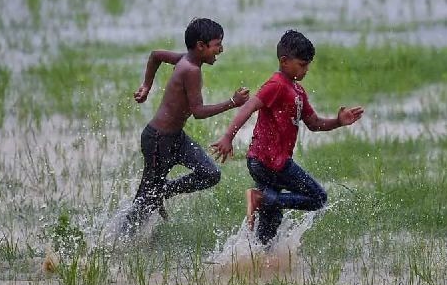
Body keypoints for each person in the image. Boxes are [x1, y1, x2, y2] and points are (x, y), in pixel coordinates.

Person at [211, 30, 364, 245]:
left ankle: (258, 261)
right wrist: (228, 137)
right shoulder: (276, 85)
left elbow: (314, 124)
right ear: (284, 61)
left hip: (264, 162)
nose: (306, 70)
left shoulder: (298, 91)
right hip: (270, 162)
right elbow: (250, 106)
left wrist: (338, 121)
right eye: (302, 65)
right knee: (318, 198)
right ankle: (260, 198)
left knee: (270, 222)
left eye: (308, 65)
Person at [123, 17, 249, 236]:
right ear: (201, 46)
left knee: (210, 173)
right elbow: (198, 112)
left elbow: (156, 55)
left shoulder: (185, 59)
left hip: (175, 138)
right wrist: (232, 102)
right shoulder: (191, 70)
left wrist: (146, 85)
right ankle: (120, 241)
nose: (221, 49)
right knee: (145, 200)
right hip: (158, 141)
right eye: (217, 44)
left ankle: (163, 191)